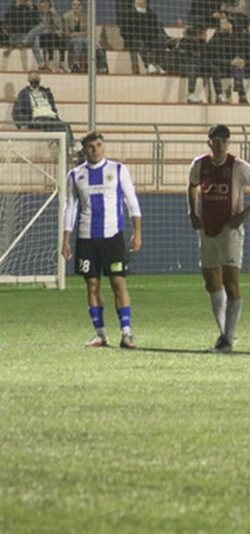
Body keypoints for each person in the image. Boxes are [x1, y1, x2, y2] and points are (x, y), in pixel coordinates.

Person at [187, 124, 250, 352]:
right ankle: (225, 335)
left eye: (225, 140)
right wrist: (192, 212)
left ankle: (228, 337)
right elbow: (192, 187)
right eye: (216, 140)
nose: (221, 144)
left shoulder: (238, 167)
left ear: (229, 143)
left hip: (230, 232)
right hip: (207, 231)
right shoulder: (199, 165)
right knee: (211, 282)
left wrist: (243, 215)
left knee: (231, 283)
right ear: (209, 142)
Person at [61, 132, 142, 349]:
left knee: (118, 282)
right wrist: (65, 239)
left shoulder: (117, 169)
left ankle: (126, 334)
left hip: (113, 237)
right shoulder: (75, 175)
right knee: (92, 285)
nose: (96, 149)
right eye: (91, 146)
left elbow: (131, 201)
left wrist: (137, 232)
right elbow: (70, 208)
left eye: (99, 145)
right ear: (84, 149)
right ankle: (100, 335)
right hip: (87, 238)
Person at [12, 71, 74, 148]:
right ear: (29, 80)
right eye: (33, 79)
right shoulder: (24, 93)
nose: (34, 81)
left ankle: (70, 149)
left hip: (52, 117)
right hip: (38, 118)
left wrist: (54, 114)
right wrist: (24, 123)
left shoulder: (46, 92)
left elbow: (53, 107)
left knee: (66, 125)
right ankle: (69, 150)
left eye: (36, 79)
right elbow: (17, 111)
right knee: (62, 127)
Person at [120, 0, 168, 74]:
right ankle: (149, 64)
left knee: (159, 43)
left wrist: (152, 37)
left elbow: (155, 29)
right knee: (141, 44)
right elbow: (124, 31)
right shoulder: (128, 15)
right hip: (133, 39)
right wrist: (131, 37)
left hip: (149, 37)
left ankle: (157, 64)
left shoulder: (151, 14)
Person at [62, 0, 88, 72]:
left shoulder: (86, 17)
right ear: (71, 6)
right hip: (68, 40)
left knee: (87, 41)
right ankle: (75, 64)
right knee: (79, 41)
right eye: (74, 5)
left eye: (78, 5)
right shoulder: (66, 16)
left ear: (82, 7)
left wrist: (76, 34)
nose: (76, 7)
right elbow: (66, 33)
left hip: (82, 39)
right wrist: (79, 34)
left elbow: (88, 32)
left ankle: (86, 64)